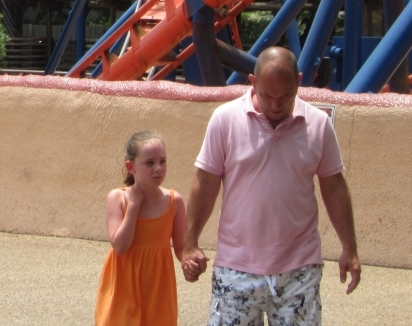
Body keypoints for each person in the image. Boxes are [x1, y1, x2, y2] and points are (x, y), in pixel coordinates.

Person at [182, 47, 361, 326]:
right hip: (235, 268)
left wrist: (349, 248)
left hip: (299, 270)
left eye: (286, 96)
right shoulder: (225, 119)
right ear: (253, 82)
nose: (276, 105)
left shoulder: (319, 124)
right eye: (267, 96)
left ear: (299, 82)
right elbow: (205, 183)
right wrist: (189, 244)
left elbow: (334, 187)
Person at [94, 131, 186, 326]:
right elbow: (120, 246)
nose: (158, 168)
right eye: (150, 162)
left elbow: (181, 249)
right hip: (123, 286)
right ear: (131, 166)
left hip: (157, 290)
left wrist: (191, 261)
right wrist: (134, 206)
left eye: (163, 161)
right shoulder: (117, 198)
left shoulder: (174, 201)